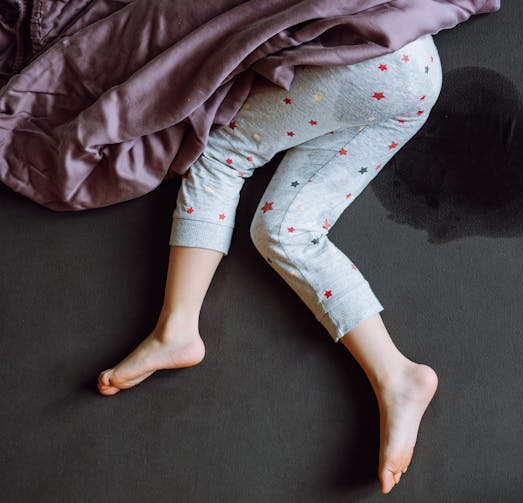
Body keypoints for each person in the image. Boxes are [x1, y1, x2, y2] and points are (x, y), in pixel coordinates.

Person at [97, 33, 442, 495]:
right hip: (415, 76)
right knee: (285, 231)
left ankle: (176, 328)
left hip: (375, 60)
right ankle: (397, 375)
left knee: (221, 152)